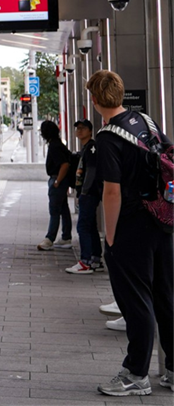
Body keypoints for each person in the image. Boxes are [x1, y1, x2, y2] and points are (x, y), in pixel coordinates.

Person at [87, 70, 174, 397]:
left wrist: (110, 238)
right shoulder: (146, 122)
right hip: (161, 220)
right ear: (120, 94)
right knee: (166, 295)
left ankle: (136, 373)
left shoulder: (108, 138)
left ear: (95, 101)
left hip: (132, 226)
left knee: (137, 301)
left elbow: (112, 193)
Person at [67, 119, 104, 274]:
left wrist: (84, 192)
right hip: (89, 193)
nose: (79, 131)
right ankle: (95, 259)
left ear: (90, 131)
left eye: (83, 128)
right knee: (91, 226)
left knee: (83, 226)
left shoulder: (92, 148)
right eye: (77, 128)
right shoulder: (87, 148)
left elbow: (92, 172)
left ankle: (85, 262)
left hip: (89, 193)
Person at [37, 119, 73, 251]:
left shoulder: (54, 146)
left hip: (57, 180)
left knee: (54, 210)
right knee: (63, 209)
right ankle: (66, 237)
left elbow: (64, 164)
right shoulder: (58, 143)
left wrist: (57, 181)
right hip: (61, 181)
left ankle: (49, 239)